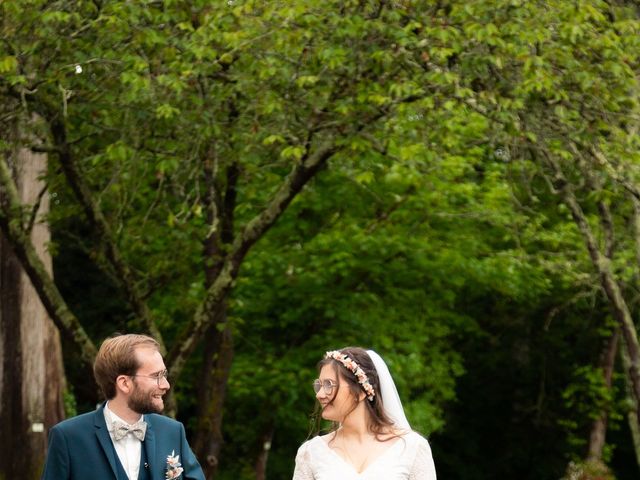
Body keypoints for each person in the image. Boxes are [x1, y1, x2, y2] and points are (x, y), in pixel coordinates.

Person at [42, 334, 205, 480]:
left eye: (164, 375)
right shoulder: (68, 437)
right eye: (156, 376)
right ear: (124, 383)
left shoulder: (173, 431)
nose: (166, 385)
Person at [292, 347, 437, 479]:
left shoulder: (412, 448)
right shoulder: (311, 453)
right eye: (319, 386)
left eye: (329, 385)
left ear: (361, 391)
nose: (320, 394)